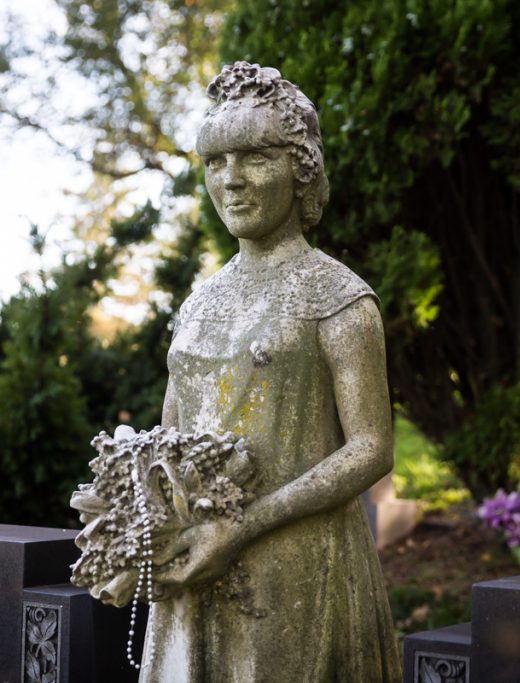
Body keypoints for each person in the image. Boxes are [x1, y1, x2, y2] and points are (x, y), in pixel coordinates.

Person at [144, 61, 401, 682]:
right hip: (193, 562)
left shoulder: (336, 295)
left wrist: (243, 526)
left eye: (254, 157)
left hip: (295, 568)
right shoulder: (201, 301)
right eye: (215, 162)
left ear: (300, 167)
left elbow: (371, 447)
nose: (231, 181)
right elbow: (167, 433)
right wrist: (148, 519)